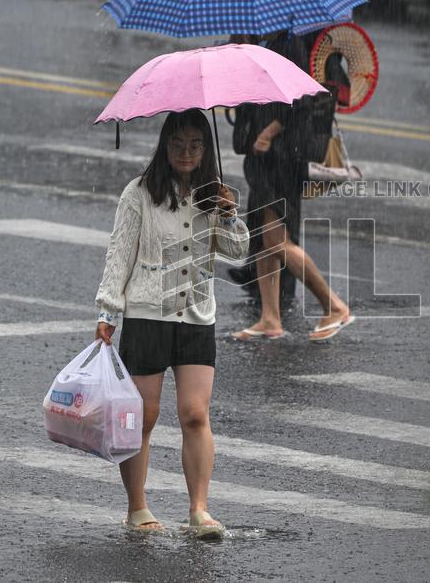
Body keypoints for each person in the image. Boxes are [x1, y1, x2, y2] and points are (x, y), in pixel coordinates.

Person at [93, 109, 249, 538]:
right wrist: (108, 312)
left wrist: (231, 215)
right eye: (178, 144)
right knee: (143, 418)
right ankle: (137, 507)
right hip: (147, 317)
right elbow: (119, 254)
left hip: (197, 316)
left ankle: (199, 509)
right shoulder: (139, 193)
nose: (186, 153)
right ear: (165, 145)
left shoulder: (215, 195)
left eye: (195, 145)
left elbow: (238, 251)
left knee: (195, 414)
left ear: (205, 149)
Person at [231, 32, 354, 342]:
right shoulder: (248, 39)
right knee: (262, 239)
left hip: (281, 158)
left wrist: (270, 132)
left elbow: (301, 98)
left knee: (277, 240)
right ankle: (270, 318)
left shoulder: (289, 43)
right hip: (260, 158)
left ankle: (334, 305)